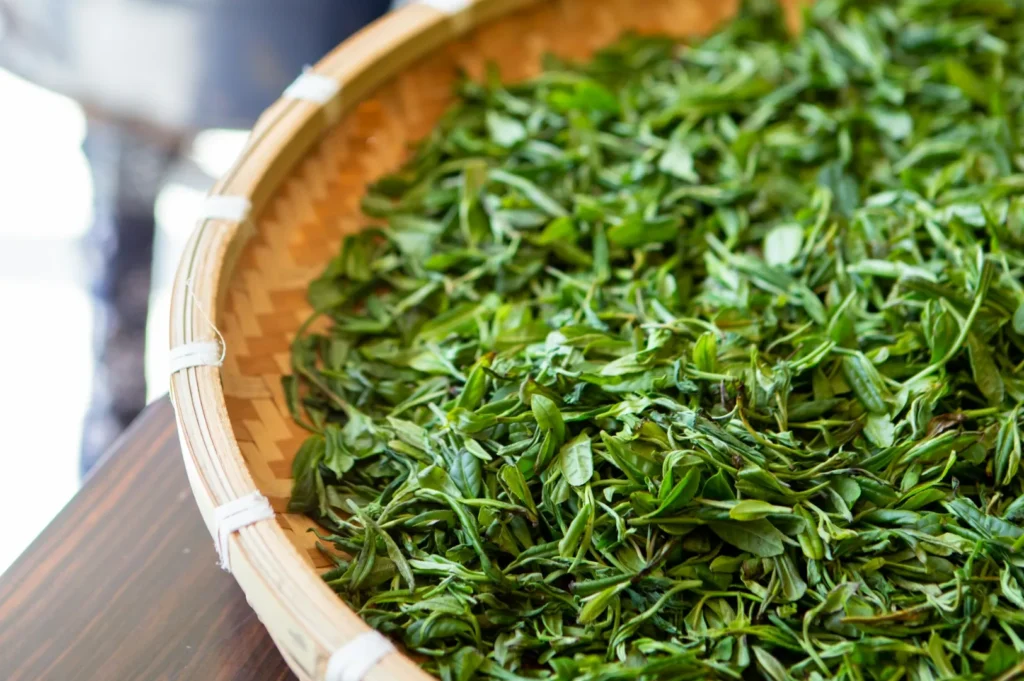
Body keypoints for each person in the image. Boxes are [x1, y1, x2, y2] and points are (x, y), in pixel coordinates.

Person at [0, 0, 392, 474]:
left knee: (312, 201)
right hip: (119, 43)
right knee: (126, 193)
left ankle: (115, 432)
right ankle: (112, 436)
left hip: (300, 45)